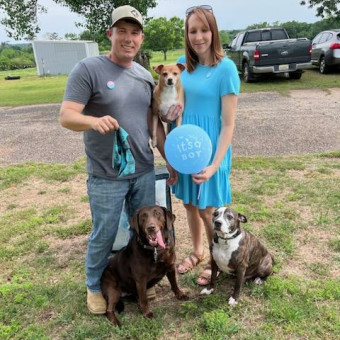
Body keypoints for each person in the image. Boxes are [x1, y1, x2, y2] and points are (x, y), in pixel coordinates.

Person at [59, 5, 179, 314]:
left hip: (143, 171)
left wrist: (170, 162)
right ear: (110, 33)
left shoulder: (143, 76)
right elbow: (67, 115)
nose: (128, 38)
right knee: (106, 232)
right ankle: (93, 287)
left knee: (143, 232)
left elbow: (156, 124)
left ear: (141, 38)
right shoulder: (88, 69)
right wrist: (91, 122)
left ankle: (140, 279)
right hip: (106, 175)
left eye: (135, 32)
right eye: (122, 31)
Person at [173, 5, 240, 285]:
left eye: (204, 30)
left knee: (208, 210)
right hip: (187, 148)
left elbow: (228, 124)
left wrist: (214, 164)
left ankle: (219, 261)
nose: (198, 36)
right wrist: (175, 152)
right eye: (192, 31)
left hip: (212, 150)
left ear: (213, 32)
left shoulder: (225, 68)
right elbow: (177, 110)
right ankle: (198, 251)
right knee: (190, 204)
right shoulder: (181, 65)